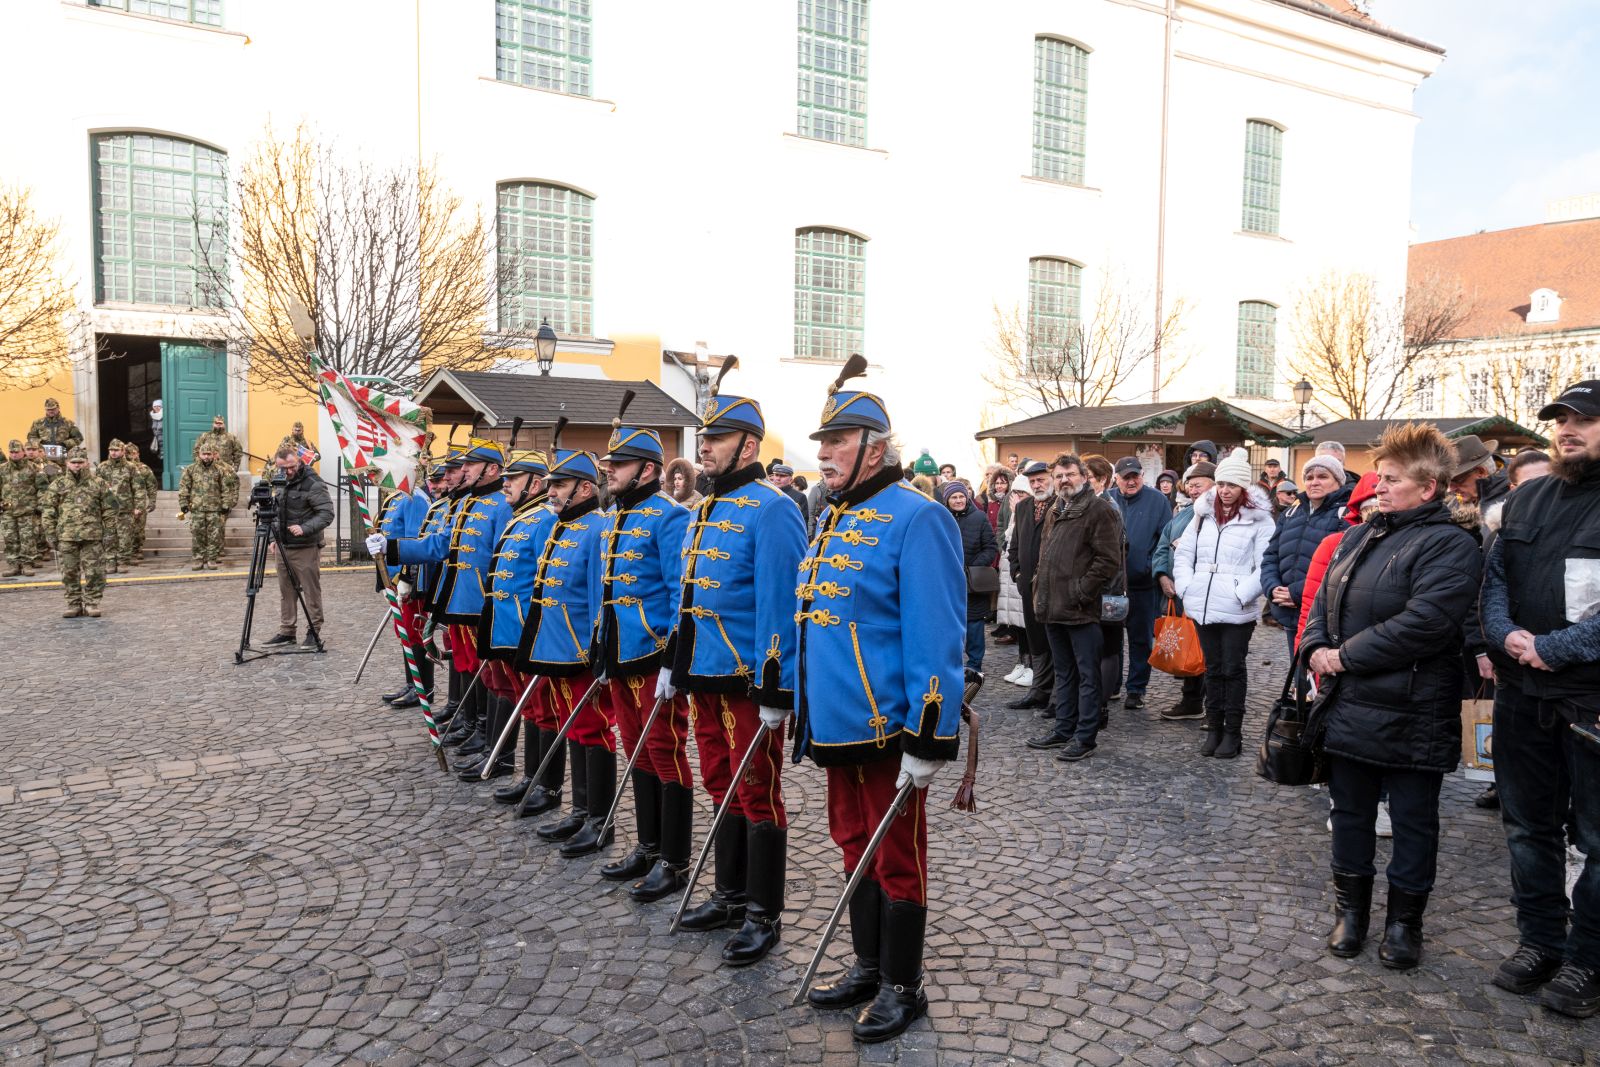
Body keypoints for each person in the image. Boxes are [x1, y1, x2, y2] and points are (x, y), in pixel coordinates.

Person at [795, 356, 965, 1043]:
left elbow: (937, 635)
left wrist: (929, 733)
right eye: (823, 443)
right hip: (836, 720)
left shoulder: (918, 518)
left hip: (888, 723)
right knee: (852, 842)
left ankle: (903, 984)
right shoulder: (833, 515)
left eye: (836, 441)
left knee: (896, 853)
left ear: (874, 447)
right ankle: (868, 964)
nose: (824, 454)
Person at [1300, 423, 1481, 972]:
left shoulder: (1451, 544)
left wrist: (1342, 657)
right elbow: (1323, 601)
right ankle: (1350, 913)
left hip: (1415, 708)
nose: (1379, 487)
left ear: (1428, 488)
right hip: (1350, 704)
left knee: (1413, 821)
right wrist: (1313, 646)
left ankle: (1405, 924)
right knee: (1350, 813)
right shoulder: (1360, 536)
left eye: (1392, 479)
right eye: (1379, 477)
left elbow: (1426, 623)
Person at [666, 362, 806, 966]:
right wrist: (675, 663)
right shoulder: (703, 507)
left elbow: (782, 605)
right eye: (703, 438)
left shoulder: (772, 508)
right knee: (720, 782)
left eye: (716, 438)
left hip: (748, 681)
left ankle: (762, 912)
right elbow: (688, 596)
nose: (704, 447)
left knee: (757, 791)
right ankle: (728, 894)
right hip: (704, 673)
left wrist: (777, 687)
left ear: (748, 445)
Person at [1480, 381, 1600, 1017]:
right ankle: (1541, 942)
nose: (1568, 429)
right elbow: (1494, 579)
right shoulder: (1528, 499)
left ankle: (1590, 959)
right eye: (1560, 420)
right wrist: (1506, 635)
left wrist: (1555, 647)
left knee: (1598, 839)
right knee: (1528, 825)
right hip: (1523, 693)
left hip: (1591, 699)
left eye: (1585, 419)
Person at [590, 410, 694, 899]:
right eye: (609, 463)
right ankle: (649, 847)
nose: (609, 470)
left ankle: (674, 861)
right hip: (619, 654)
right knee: (637, 752)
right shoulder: (615, 516)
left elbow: (678, 593)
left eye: (620, 463)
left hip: (652, 657)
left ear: (647, 470)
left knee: (666, 754)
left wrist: (673, 655)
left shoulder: (669, 516)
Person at [377, 440, 514, 750]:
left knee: (483, 671)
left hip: (481, 603)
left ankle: (482, 730)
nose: (463, 470)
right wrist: (392, 547)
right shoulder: (465, 504)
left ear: (492, 469)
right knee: (465, 663)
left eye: (470, 465)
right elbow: (438, 545)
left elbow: (504, 563)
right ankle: (470, 722)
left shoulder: (502, 506)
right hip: (459, 600)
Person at [1171, 450, 1274, 758]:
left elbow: (1265, 564)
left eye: (1232, 485)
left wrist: (1242, 594)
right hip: (1203, 603)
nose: (1225, 490)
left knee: (1232, 668)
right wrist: (1187, 587)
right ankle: (1214, 728)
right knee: (1213, 669)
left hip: (1236, 607)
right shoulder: (1202, 514)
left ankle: (1232, 732)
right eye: (1222, 484)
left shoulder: (1259, 520)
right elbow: (1184, 554)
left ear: (1243, 487)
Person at [457, 449, 548, 779]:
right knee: (503, 687)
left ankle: (534, 779)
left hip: (522, 627)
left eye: (514, 478)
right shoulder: (519, 516)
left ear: (534, 484)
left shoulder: (543, 520)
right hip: (502, 622)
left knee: (536, 704)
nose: (506, 483)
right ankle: (497, 754)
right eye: (506, 477)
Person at [1026, 453, 1123, 762]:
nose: (1064, 480)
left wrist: (1081, 592)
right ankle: (1063, 728)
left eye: (1070, 474)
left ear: (1083, 476)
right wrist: (1039, 588)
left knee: (1087, 676)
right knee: (1064, 673)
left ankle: (1085, 736)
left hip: (1081, 609)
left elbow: (1108, 560)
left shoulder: (1098, 509)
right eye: (1059, 476)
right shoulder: (1057, 508)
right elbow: (1046, 556)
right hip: (1052, 607)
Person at [1261, 456, 1353, 656]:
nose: (1314, 482)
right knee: (1296, 671)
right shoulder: (1291, 513)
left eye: (1322, 477)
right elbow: (1271, 556)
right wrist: (1272, 588)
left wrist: (1297, 592)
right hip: (1288, 610)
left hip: (1322, 614)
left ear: (1338, 481)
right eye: (1309, 477)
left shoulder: (1348, 514)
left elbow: (1343, 565)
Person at [1152, 462, 1215, 720]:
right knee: (1189, 645)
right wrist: (1162, 575)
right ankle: (1191, 701)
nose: (1192, 489)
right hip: (1178, 593)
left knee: (1210, 651)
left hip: (1208, 594)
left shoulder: (1222, 515)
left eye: (1198, 484)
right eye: (1190, 484)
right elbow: (1162, 546)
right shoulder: (1183, 514)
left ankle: (1215, 710)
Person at [1106, 457, 1170, 712]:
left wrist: (1150, 566)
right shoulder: (1107, 499)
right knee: (1111, 638)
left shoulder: (1158, 500)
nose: (1131, 481)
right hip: (1111, 585)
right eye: (1126, 477)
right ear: (1116, 479)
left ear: (1142, 476)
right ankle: (1112, 684)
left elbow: (1165, 539)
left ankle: (1136, 689)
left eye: (1136, 476)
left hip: (1143, 585)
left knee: (1141, 639)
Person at [264, 444, 334, 646]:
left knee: (311, 590)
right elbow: (273, 512)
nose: (288, 471)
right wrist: (272, 539)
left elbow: (327, 513)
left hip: (306, 546)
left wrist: (305, 528)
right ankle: (287, 631)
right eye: (283, 468)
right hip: (283, 545)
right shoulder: (278, 481)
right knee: (286, 591)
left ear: (299, 460)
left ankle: (314, 630)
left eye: (291, 466)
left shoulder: (313, 483)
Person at [1006, 461, 1056, 713]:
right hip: (1028, 585)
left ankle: (1057, 697)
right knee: (1035, 639)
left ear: (1052, 479)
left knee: (1054, 641)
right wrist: (1017, 573)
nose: (1037, 485)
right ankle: (1039, 691)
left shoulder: (1060, 505)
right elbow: (1014, 544)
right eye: (1033, 481)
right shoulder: (1024, 507)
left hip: (1054, 587)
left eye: (1041, 480)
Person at [40, 446, 114, 617]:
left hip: (92, 535)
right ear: (67, 463)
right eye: (73, 462)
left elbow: (109, 510)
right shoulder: (58, 485)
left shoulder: (99, 483)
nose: (77, 465)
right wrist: (50, 533)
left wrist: (110, 531)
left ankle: (92, 603)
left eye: (80, 462)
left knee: (95, 572)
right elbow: (48, 511)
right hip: (66, 536)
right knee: (69, 572)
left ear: (87, 462)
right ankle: (73, 603)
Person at [938, 481, 998, 672]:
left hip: (972, 582)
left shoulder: (979, 517)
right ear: (947, 500)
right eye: (954, 497)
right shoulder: (941, 519)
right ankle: (951, 666)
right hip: (947, 582)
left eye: (961, 496)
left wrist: (970, 568)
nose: (958, 500)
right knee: (948, 625)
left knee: (974, 626)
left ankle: (974, 667)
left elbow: (991, 548)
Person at [177, 444, 236, 570]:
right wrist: (183, 503)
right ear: (199, 455)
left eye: (209, 454)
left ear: (213, 455)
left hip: (214, 509)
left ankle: (211, 559)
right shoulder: (191, 469)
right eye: (204, 454)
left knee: (214, 535)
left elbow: (226, 489)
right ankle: (198, 559)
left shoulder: (220, 470)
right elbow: (184, 487)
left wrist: (226, 504)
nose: (206, 456)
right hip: (197, 508)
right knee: (197, 534)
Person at [996, 475, 1031, 668]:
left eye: (1021, 493)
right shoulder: (1014, 511)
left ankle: (1031, 666)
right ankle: (1022, 662)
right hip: (1012, 572)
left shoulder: (1026, 512)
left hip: (1024, 574)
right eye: (1015, 493)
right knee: (1018, 623)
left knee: (1027, 623)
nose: (1016, 497)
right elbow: (1005, 534)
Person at [0, 439, 44, 577]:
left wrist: (39, 506)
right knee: (10, 539)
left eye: (17, 452)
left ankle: (27, 564)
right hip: (8, 510)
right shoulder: (2, 469)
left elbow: (42, 488)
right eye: (11, 452)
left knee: (28, 539)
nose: (14, 454)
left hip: (27, 510)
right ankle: (13, 565)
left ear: (23, 452)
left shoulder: (34, 468)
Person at [96, 440, 138, 575]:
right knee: (108, 536)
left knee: (125, 537)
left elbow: (138, 488)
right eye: (111, 450)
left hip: (125, 508)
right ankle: (110, 561)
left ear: (123, 451)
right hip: (107, 508)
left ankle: (122, 561)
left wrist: (138, 506)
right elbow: (96, 488)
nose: (113, 453)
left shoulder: (130, 467)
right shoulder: (102, 467)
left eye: (116, 450)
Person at [123, 443, 157, 562]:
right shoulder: (121, 469)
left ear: (137, 453)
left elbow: (152, 486)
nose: (130, 456)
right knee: (123, 529)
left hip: (139, 503)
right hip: (123, 503)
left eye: (133, 453)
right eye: (128, 454)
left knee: (138, 528)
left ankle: (137, 549)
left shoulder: (143, 469)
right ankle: (125, 552)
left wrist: (152, 501)